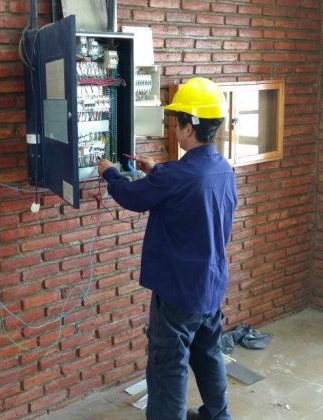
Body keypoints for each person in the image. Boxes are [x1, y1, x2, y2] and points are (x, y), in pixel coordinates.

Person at [97, 77, 237, 420]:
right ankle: (218, 415)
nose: (174, 127)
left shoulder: (177, 176)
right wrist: (157, 171)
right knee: (207, 352)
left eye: (176, 122)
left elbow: (132, 197)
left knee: (167, 365)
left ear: (189, 127)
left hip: (177, 291)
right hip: (211, 284)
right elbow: (188, 193)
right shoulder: (223, 170)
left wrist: (110, 173)